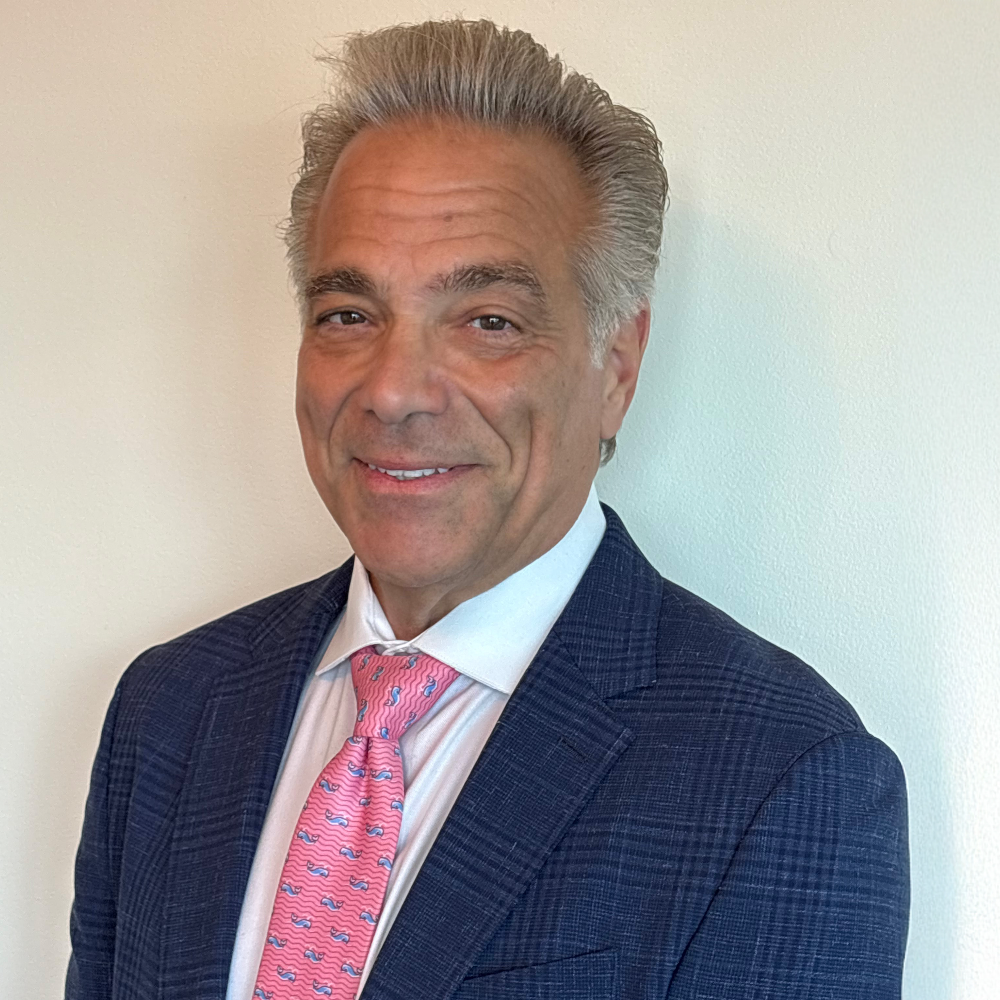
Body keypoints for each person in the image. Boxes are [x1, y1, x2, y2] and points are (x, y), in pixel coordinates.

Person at [66, 18, 909, 1000]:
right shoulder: (169, 711)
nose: (394, 390)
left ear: (616, 368)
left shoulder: (783, 779)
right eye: (349, 314)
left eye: (486, 322)